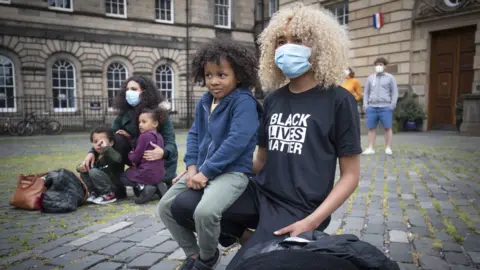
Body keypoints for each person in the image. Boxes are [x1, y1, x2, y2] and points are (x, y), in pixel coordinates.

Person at [169, 4, 361, 270]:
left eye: (298, 40)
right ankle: (249, 240)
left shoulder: (340, 100)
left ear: (319, 45)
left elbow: (350, 176)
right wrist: (202, 171)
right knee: (182, 205)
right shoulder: (273, 99)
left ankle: (283, 245)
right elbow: (259, 158)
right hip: (261, 195)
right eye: (281, 41)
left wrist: (312, 222)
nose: (287, 48)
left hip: (300, 208)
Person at [157, 38, 262, 270]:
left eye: (221, 75)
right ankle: (193, 254)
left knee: (205, 212)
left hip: (232, 172)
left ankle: (207, 258)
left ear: (238, 75)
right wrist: (192, 167)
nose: (213, 81)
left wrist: (205, 172)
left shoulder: (243, 102)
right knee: (164, 207)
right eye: (208, 75)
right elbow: (195, 136)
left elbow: (237, 142)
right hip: (202, 170)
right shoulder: (205, 101)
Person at [79, 76, 178, 200]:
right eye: (127, 89)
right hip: (137, 157)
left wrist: (163, 152)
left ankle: (155, 183)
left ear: (145, 92)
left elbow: (171, 143)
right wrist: (92, 151)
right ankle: (118, 187)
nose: (129, 92)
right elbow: (108, 136)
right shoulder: (124, 113)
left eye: (133, 89)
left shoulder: (159, 113)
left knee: (148, 185)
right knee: (118, 138)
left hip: (156, 160)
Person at [119, 108, 168, 204]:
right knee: (147, 172)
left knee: (124, 176)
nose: (140, 124)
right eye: (139, 122)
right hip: (160, 173)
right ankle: (158, 186)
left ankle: (144, 188)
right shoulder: (159, 136)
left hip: (147, 173)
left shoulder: (144, 136)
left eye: (144, 122)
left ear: (155, 124)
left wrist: (130, 154)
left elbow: (135, 157)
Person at [77, 126, 122, 204]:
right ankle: (93, 193)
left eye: (101, 142)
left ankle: (109, 195)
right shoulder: (95, 155)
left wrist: (107, 148)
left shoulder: (111, 153)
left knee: (93, 171)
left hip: (114, 187)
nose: (98, 144)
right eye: (95, 142)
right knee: (87, 169)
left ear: (111, 143)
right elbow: (82, 167)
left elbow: (118, 159)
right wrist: (80, 168)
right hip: (99, 186)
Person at [362, 57, 398, 155]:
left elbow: (394, 92)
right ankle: (371, 148)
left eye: (381, 64)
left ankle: (388, 147)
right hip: (372, 107)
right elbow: (366, 92)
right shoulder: (370, 78)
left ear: (385, 66)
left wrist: (392, 105)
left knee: (387, 127)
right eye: (377, 64)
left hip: (386, 107)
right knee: (371, 128)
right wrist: (366, 105)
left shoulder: (390, 78)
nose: (378, 66)